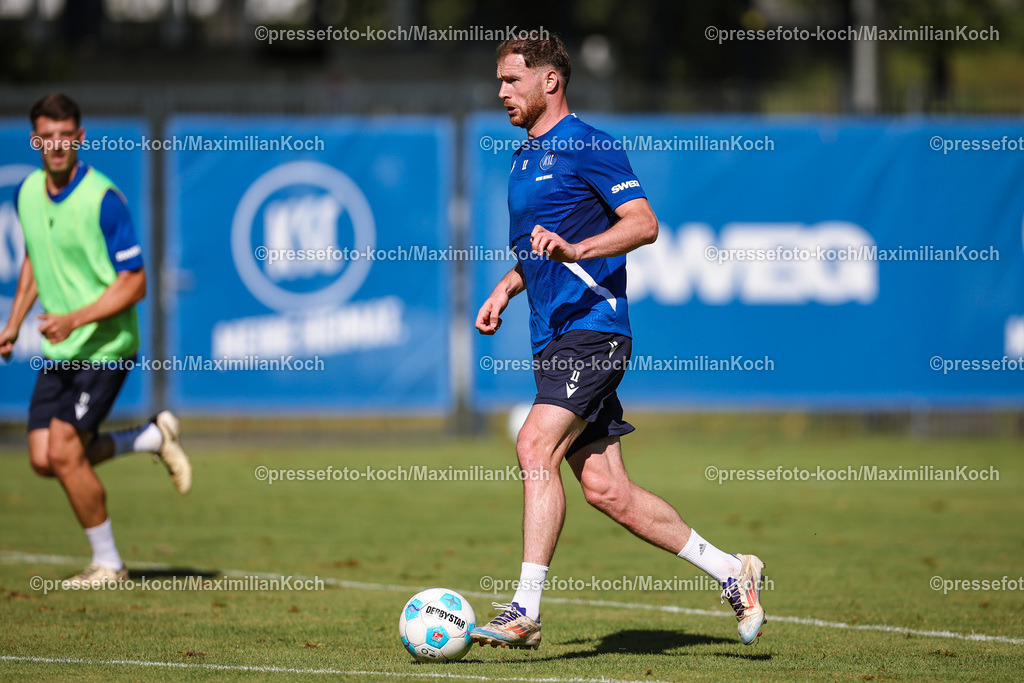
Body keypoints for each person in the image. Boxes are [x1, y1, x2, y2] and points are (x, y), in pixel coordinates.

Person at [470, 36, 766, 650]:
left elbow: (644, 224)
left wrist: (579, 249)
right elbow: (540, 250)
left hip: (594, 332)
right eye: (499, 81)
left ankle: (524, 610)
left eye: (512, 80)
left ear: (550, 81)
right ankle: (731, 570)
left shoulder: (589, 144)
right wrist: (507, 286)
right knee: (607, 490)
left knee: (533, 445)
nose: (501, 92)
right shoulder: (523, 159)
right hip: (552, 336)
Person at [0, 93, 192, 588]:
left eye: (66, 135)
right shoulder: (27, 193)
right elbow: (36, 258)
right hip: (62, 350)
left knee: (66, 453)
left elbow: (136, 282)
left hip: (105, 347)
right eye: (47, 136)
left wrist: (75, 318)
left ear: (80, 138)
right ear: (35, 140)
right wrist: (14, 322)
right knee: (43, 458)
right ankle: (149, 438)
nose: (57, 145)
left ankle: (109, 564)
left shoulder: (103, 199)